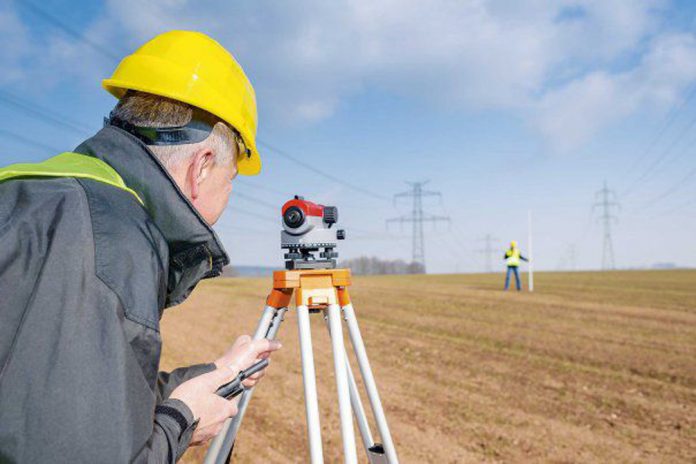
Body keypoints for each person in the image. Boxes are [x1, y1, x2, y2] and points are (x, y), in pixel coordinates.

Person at [0, 31, 281, 463]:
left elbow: (60, 400)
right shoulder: (110, 241)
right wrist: (182, 422)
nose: (228, 198)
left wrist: (218, 373)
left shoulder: (37, 196)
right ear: (203, 167)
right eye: (232, 181)